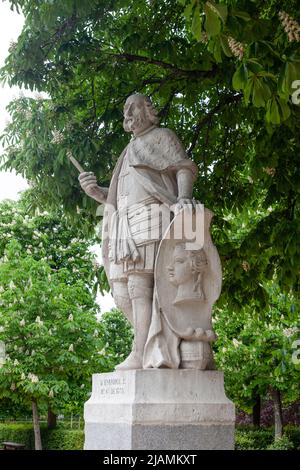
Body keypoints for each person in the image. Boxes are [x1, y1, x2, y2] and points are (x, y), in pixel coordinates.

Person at [79, 93, 197, 369]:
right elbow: (121, 194)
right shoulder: (128, 149)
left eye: (133, 107)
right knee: (121, 288)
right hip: (125, 222)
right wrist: (96, 192)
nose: (128, 113)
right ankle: (154, 344)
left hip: (152, 216)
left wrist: (183, 198)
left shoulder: (162, 137)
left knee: (139, 285)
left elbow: (184, 168)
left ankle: (142, 351)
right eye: (125, 109)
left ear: (149, 110)